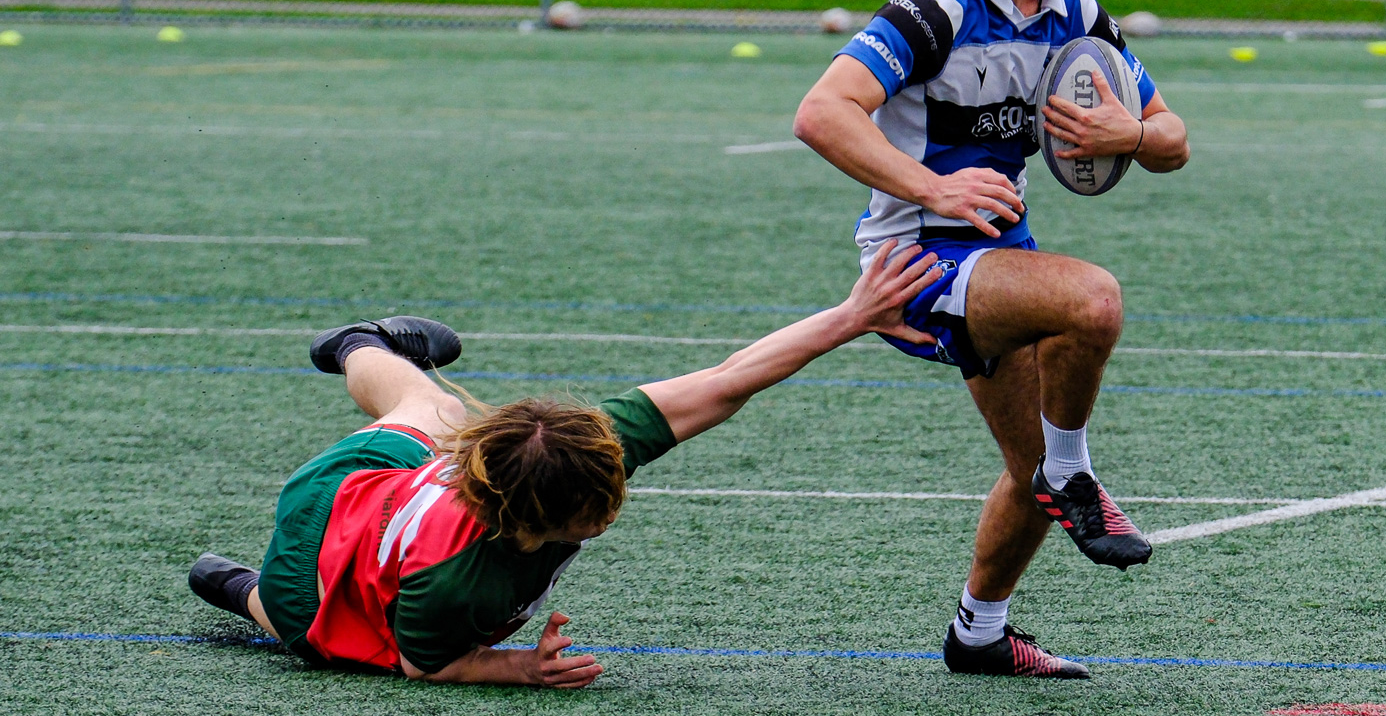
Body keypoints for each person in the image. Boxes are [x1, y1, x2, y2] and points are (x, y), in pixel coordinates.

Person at [792, 0, 1191, 679]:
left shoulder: (1072, 10)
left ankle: (979, 630)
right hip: (917, 263)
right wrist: (932, 186)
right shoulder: (935, 4)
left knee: (1025, 466)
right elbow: (821, 112)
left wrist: (1128, 133)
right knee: (1093, 301)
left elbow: (1174, 138)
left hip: (999, 256)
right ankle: (1075, 472)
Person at [188, 240, 942, 687]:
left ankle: (357, 343)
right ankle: (246, 589)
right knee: (311, 631)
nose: (609, 513)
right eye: (592, 514)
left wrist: (852, 317)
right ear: (524, 524)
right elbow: (427, 666)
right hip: (321, 532)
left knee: (436, 410)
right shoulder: (456, 579)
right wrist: (524, 667)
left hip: (381, 484)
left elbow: (726, 381)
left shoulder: (586, 449)